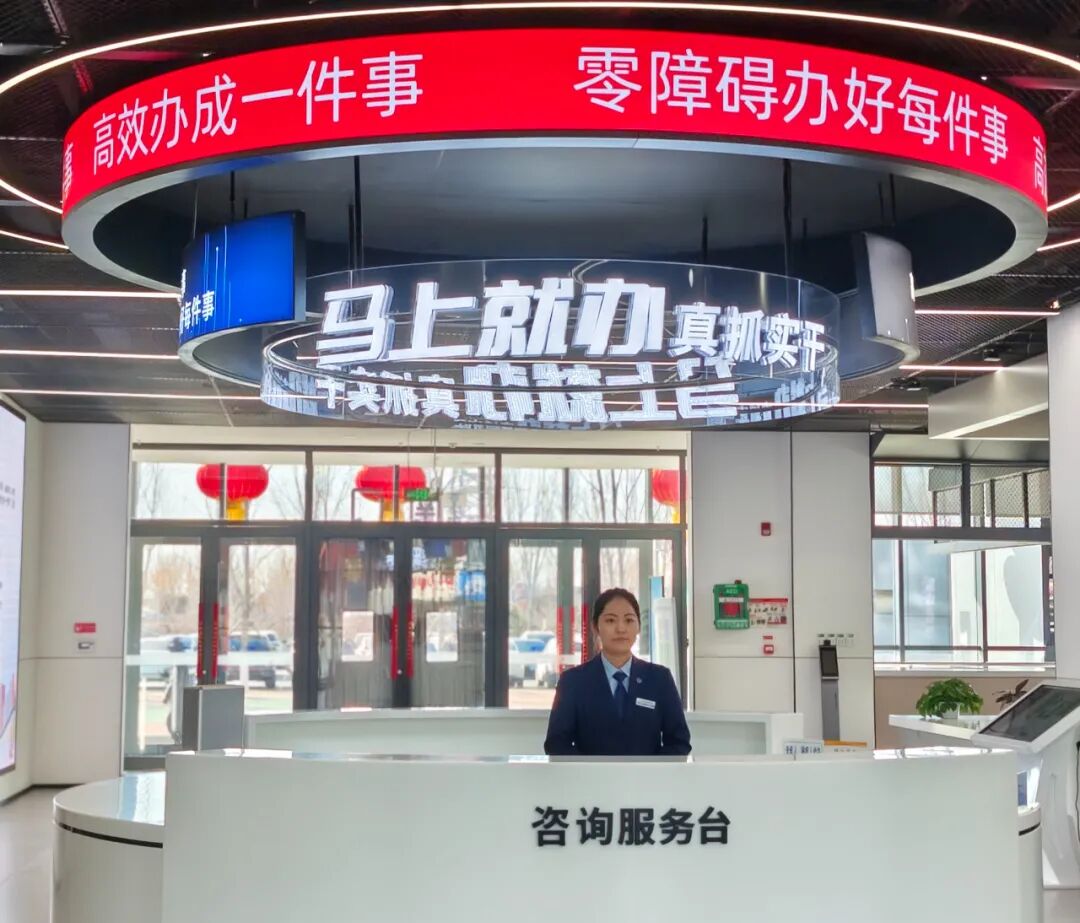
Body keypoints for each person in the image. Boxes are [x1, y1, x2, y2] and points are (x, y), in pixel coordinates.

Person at [544, 588, 691, 756]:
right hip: (590, 773)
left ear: (638, 627)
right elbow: (556, 744)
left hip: (647, 773)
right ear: (595, 627)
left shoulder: (659, 679)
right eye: (610, 620)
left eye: (629, 620)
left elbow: (679, 742)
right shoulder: (573, 682)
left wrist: (650, 769)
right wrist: (589, 769)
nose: (621, 628)